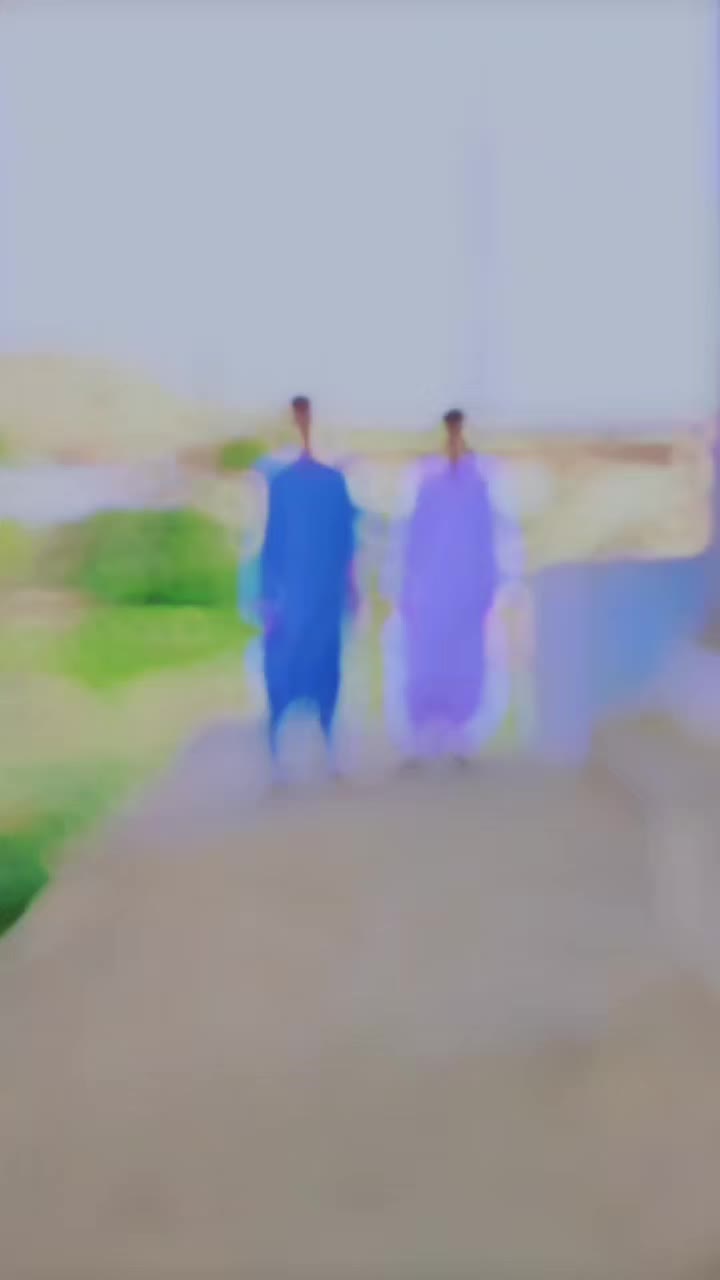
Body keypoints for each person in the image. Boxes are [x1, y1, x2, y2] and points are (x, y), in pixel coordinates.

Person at [260, 396, 357, 776]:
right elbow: (272, 541)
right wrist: (268, 594)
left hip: (325, 592)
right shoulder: (281, 482)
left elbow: (346, 540)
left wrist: (351, 587)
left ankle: (329, 749)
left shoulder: (334, 481)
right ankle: (277, 758)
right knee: (284, 670)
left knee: (326, 667)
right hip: (292, 594)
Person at [400, 408, 497, 762]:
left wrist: (488, 587)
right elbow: (413, 541)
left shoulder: (479, 485)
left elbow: (488, 540)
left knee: (465, 662)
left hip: (466, 591)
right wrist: (408, 588)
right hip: (430, 592)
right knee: (425, 661)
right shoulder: (428, 483)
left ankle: (461, 732)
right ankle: (422, 733)